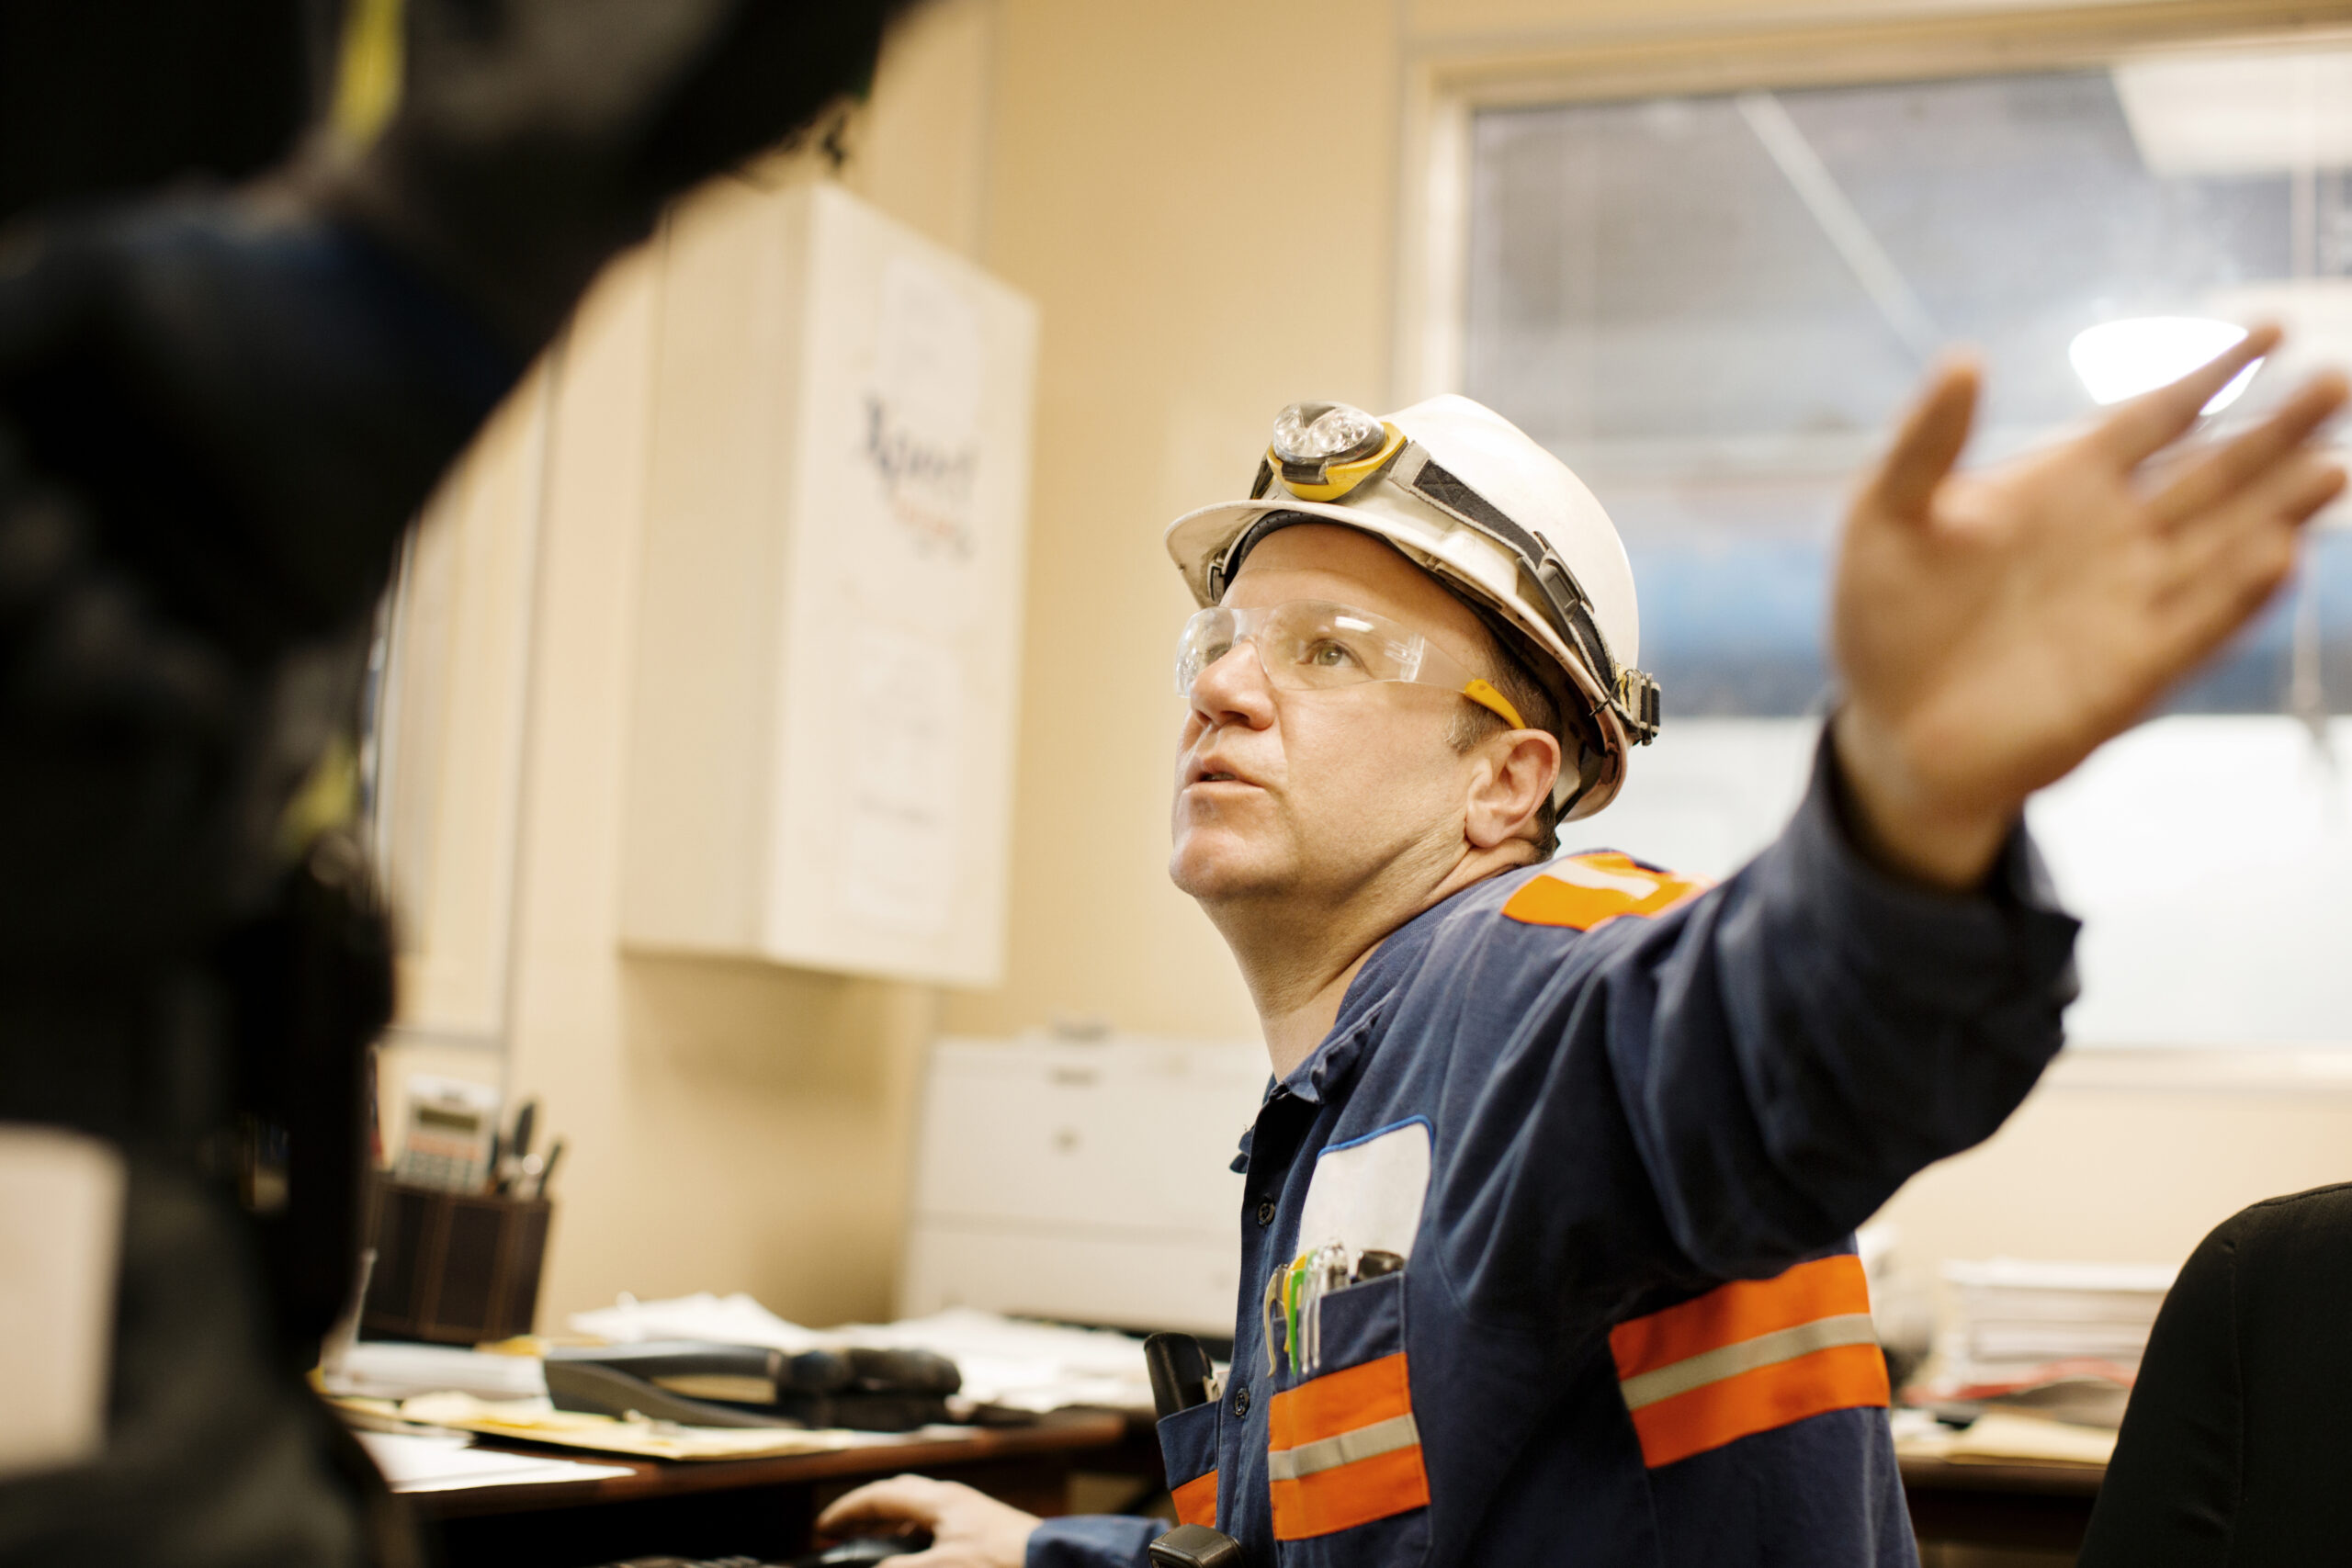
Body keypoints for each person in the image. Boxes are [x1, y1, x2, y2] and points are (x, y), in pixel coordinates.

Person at [819, 340, 2348, 1568]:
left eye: (1327, 654)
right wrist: (1055, 1554)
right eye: (1219, 647)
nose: (1224, 693)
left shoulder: (1537, 982)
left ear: (1510, 782)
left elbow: (1764, 1042)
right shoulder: (1355, 1089)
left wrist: (1910, 798)